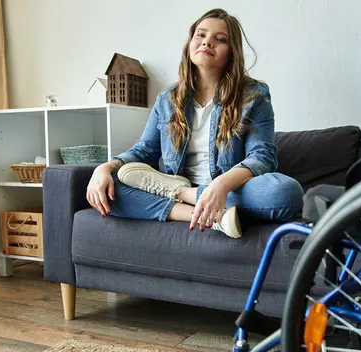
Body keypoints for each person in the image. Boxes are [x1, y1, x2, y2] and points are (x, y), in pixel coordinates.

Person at [86, 8, 304, 239]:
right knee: (105, 190)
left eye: (220, 39)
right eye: (200, 35)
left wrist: (220, 186)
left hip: (231, 188)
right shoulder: (167, 99)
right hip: (180, 182)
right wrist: (104, 168)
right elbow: (145, 151)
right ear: (190, 43)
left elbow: (262, 157)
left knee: (285, 193)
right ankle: (206, 216)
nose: (207, 42)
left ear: (232, 53)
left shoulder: (254, 96)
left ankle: (183, 194)